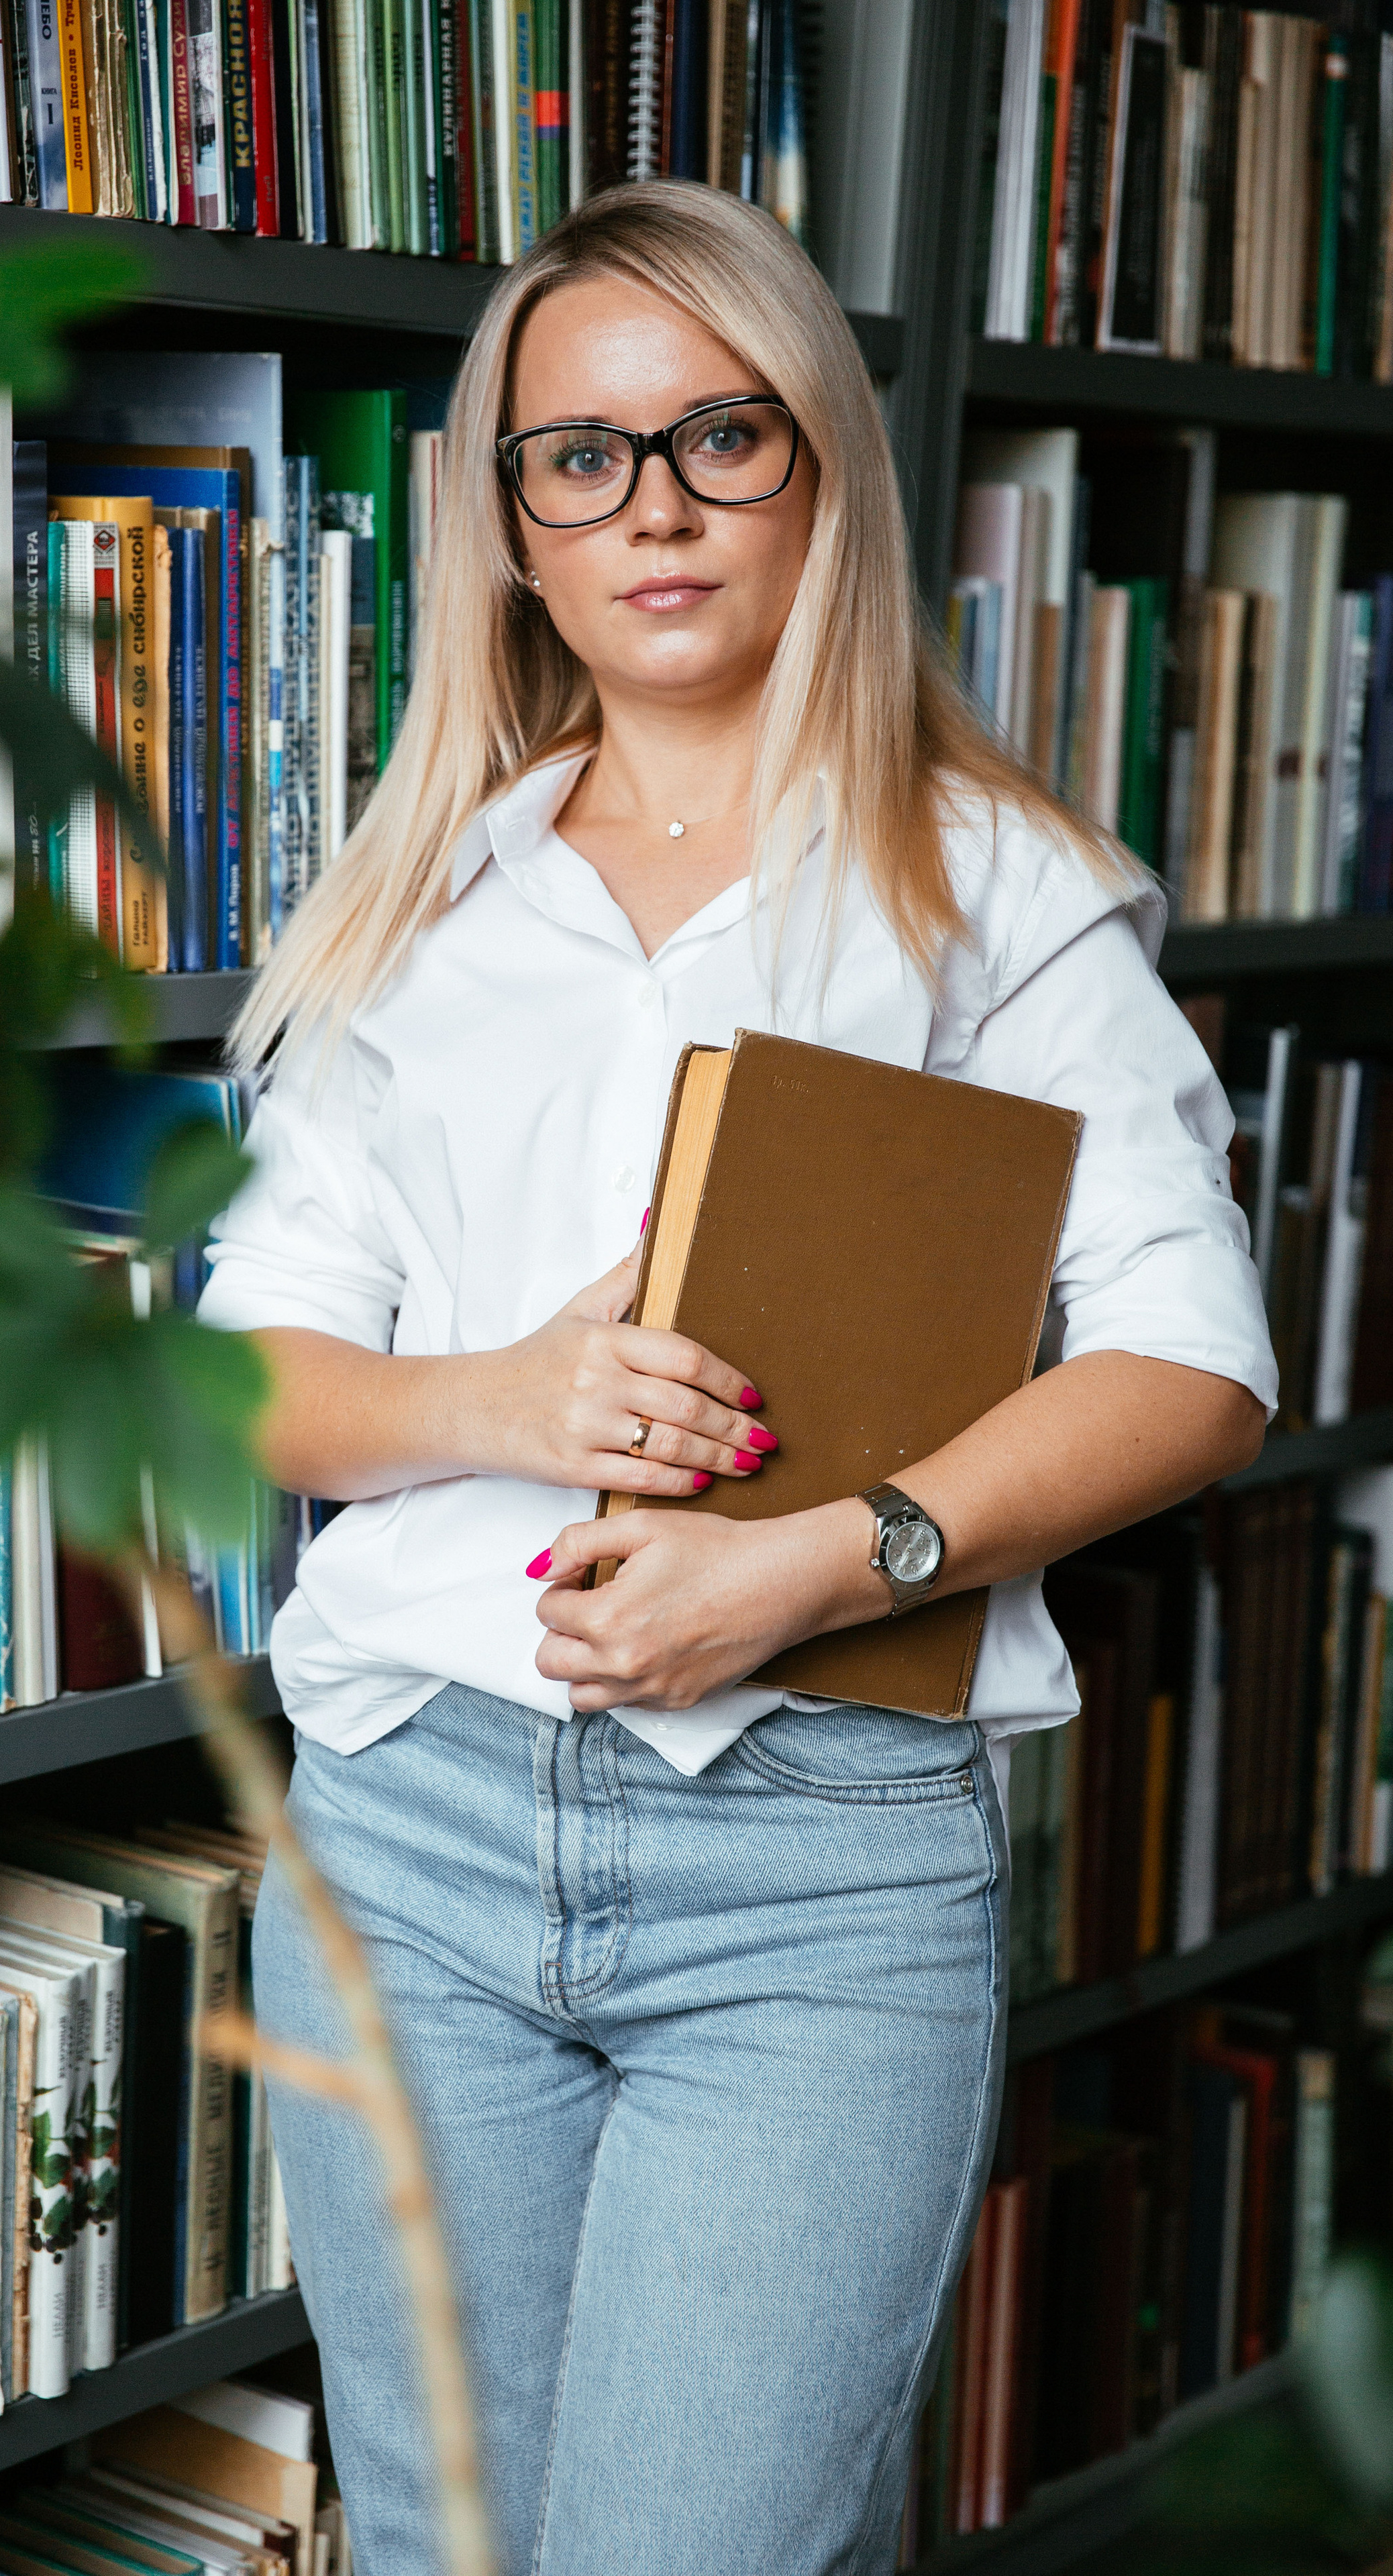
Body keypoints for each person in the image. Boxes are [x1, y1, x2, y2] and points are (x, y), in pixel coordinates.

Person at [198, 182, 1275, 2575]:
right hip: (410, 1841)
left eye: (721, 435)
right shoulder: (416, 895)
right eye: (578, 456)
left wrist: (824, 1558)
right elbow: (250, 1386)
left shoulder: (993, 890)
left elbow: (1201, 1370)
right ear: (507, 525)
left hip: (811, 1864)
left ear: (827, 476)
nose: (652, 504)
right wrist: (503, 1398)